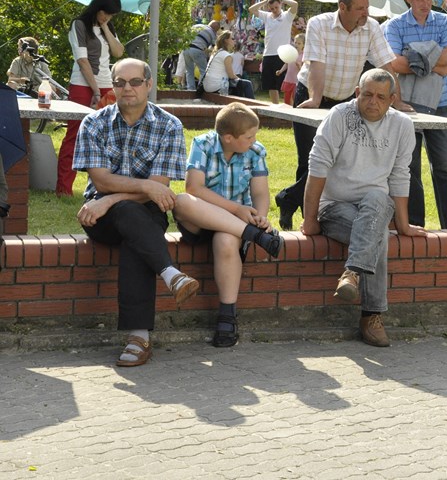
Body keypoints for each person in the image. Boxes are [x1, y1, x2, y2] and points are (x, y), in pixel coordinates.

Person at [72, 58, 199, 367]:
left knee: (135, 234)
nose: (127, 88)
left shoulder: (169, 125)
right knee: (132, 218)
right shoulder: (94, 123)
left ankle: (138, 338)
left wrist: (111, 199)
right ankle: (171, 276)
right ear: (113, 86)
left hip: (144, 211)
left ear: (149, 84)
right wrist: (117, 197)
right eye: (119, 82)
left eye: (135, 82)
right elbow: (102, 181)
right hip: (99, 216)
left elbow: (159, 188)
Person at [301, 69, 426, 347]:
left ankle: (352, 274)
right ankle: (372, 316)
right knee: (378, 234)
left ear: (392, 99)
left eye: (381, 97)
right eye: (367, 95)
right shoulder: (339, 116)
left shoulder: (402, 125)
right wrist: (310, 219)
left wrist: (403, 225)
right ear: (357, 93)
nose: (373, 102)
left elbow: (400, 175)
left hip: (376, 206)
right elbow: (317, 166)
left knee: (378, 199)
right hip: (335, 207)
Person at [275, 0, 399, 230]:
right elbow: (317, 65)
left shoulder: (372, 27)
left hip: (345, 100)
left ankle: (289, 198)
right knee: (310, 159)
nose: (366, 13)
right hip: (311, 93)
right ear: (343, 7)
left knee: (339, 160)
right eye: (360, 8)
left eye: (367, 8)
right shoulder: (319, 24)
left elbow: (386, 64)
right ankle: (307, 219)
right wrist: (315, 99)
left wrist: (397, 99)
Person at [171, 103, 282, 348]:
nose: (254, 140)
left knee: (226, 240)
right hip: (202, 220)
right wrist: (236, 210)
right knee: (181, 201)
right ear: (229, 138)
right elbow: (194, 188)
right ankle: (254, 235)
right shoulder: (203, 144)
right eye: (249, 137)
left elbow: (260, 193)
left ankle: (227, 316)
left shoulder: (255, 151)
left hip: (232, 227)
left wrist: (261, 217)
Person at [383, 0, 447, 230]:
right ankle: (414, 223)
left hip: (439, 104)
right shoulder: (395, 25)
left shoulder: (445, 21)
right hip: (406, 106)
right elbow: (394, 63)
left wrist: (412, 56)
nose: (425, 4)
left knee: (445, 166)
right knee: (410, 167)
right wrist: (431, 61)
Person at [57, 0, 125, 197]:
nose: (108, 17)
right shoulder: (79, 25)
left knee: (107, 136)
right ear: (97, 8)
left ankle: (101, 186)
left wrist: (105, 27)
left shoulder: (107, 26)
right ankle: (64, 188)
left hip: (106, 84)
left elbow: (118, 52)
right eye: (106, 13)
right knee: (75, 134)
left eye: (111, 15)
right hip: (83, 85)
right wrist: (95, 91)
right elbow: (82, 61)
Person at [248, 0, 298, 105]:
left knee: (284, 85)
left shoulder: (287, 16)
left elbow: (295, 5)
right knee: (271, 85)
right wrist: (265, 1)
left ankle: (288, 108)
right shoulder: (267, 16)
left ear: (280, 5)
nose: (274, 10)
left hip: (283, 55)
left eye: (276, 7)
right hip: (268, 54)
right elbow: (251, 9)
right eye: (272, 8)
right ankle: (275, 106)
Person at [203, 31, 254, 98]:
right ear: (226, 40)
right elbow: (231, 75)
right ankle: (251, 104)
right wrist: (239, 79)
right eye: (232, 38)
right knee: (247, 84)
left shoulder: (216, 53)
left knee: (238, 84)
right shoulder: (226, 55)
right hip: (216, 87)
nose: (234, 40)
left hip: (207, 86)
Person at [182, 21, 220, 91]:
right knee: (204, 71)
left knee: (189, 71)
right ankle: (200, 89)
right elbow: (214, 47)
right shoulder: (212, 33)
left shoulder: (197, 25)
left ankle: (190, 89)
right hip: (197, 50)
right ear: (216, 30)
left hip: (186, 49)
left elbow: (185, 35)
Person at [277, 33, 304, 106]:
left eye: (299, 43)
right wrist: (280, 71)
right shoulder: (291, 53)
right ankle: (286, 109)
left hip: (297, 81)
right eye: (295, 42)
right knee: (287, 97)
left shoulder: (303, 56)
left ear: (303, 45)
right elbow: (286, 64)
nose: (296, 45)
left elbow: (304, 70)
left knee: (295, 98)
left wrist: (299, 66)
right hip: (288, 79)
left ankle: (294, 109)